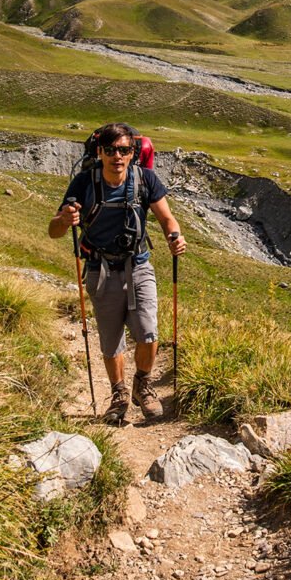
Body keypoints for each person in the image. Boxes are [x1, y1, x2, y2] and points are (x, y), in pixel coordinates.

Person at [48, 122, 187, 423]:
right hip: (100, 269)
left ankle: (143, 386)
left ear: (133, 152)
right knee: (111, 340)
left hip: (138, 264)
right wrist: (65, 218)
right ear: (100, 152)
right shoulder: (84, 183)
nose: (117, 156)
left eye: (124, 150)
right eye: (110, 150)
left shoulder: (145, 178)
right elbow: (54, 231)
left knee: (148, 332)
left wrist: (175, 236)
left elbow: (167, 218)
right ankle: (119, 393)